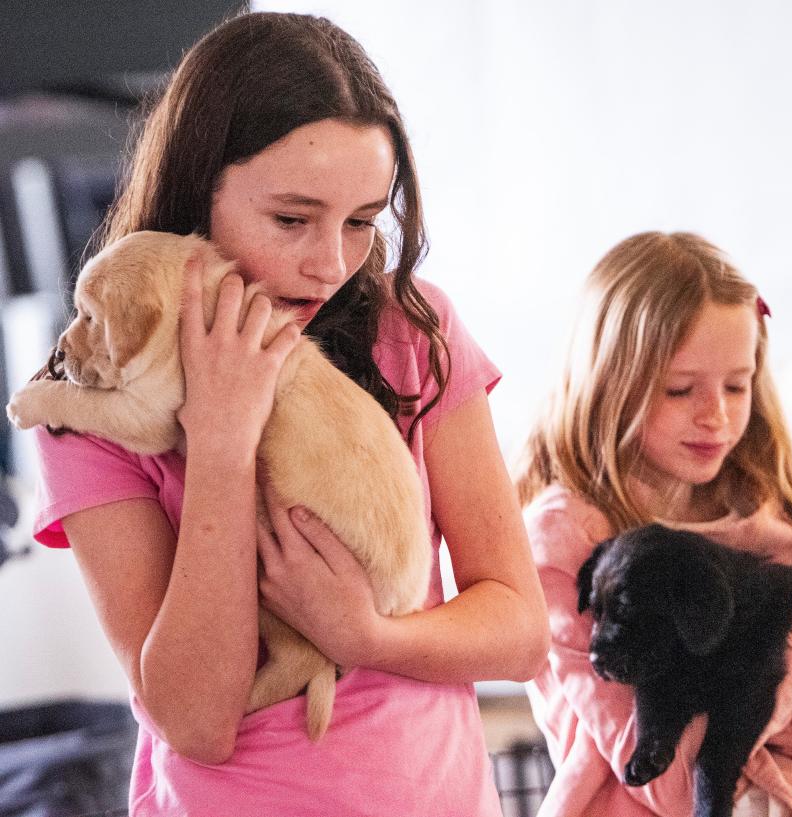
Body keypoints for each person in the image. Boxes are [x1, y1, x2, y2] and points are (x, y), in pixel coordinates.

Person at [29, 12, 549, 817]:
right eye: (292, 219)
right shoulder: (89, 400)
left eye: (362, 221)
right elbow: (197, 721)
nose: (331, 264)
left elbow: (519, 630)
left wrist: (367, 637)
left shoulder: (413, 332)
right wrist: (224, 446)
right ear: (198, 190)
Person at [514, 232, 792, 817]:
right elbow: (667, 787)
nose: (718, 416)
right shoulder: (568, 543)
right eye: (680, 389)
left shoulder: (771, 513)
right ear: (609, 381)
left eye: (738, 384)